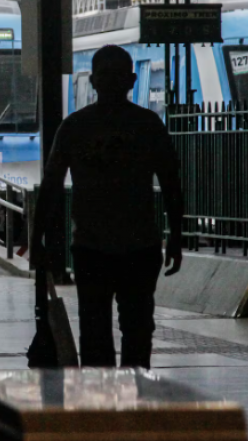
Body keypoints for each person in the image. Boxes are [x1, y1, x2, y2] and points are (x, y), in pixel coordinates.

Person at [34, 45, 183, 369]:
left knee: (94, 332)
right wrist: (176, 235)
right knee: (138, 330)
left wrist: (36, 239)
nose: (113, 83)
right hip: (139, 246)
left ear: (91, 81)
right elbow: (171, 183)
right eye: (109, 76)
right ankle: (135, 390)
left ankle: (100, 394)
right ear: (133, 80)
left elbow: (51, 185)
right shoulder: (148, 125)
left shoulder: (75, 126)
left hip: (92, 247)